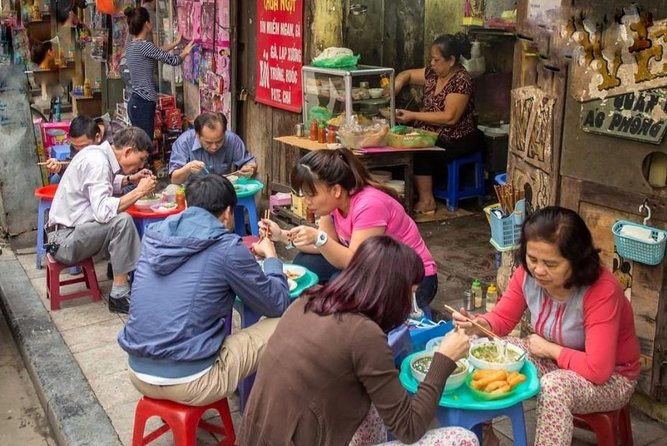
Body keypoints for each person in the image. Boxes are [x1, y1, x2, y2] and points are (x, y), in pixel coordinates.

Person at [240, 236, 477, 446]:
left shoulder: (308, 300)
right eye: (411, 293)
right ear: (392, 291)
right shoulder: (363, 334)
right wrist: (443, 359)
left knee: (373, 407)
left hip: (259, 436)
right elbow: (410, 428)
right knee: (463, 439)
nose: (410, 304)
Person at [453, 207, 640, 446]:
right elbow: (502, 318)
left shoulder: (601, 291)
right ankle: (485, 435)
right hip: (553, 361)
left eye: (551, 264)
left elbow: (598, 369)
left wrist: (550, 350)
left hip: (611, 378)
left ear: (577, 260)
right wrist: (479, 325)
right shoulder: (527, 274)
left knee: (555, 387)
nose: (539, 270)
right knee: (480, 348)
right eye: (532, 259)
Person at [117, 174, 291, 406]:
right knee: (288, 321)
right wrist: (271, 257)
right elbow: (276, 303)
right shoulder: (227, 247)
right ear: (228, 213)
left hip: (137, 372)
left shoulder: (155, 237)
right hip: (192, 382)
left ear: (187, 205)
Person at [261, 147, 438, 308]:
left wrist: (318, 238)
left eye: (311, 194)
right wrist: (281, 235)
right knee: (305, 262)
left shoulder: (369, 205)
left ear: (336, 190)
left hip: (411, 278)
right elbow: (324, 246)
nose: (307, 201)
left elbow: (354, 261)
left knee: (340, 283)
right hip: (372, 268)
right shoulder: (332, 206)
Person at [46, 127, 158, 314]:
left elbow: (102, 184)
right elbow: (103, 213)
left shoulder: (98, 154)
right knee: (122, 221)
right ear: (128, 151)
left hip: (63, 234)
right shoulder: (98, 162)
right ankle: (119, 295)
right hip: (64, 241)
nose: (140, 165)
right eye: (140, 160)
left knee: (119, 217)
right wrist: (139, 191)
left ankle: (116, 269)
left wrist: (131, 179)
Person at [393, 33, 485, 214]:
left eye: (436, 60)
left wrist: (413, 116)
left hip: (457, 137)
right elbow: (407, 75)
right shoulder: (432, 74)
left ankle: (428, 201)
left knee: (420, 152)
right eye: (431, 59)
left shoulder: (461, 80)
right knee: (398, 142)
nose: (432, 64)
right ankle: (411, 195)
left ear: (450, 60)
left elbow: (450, 118)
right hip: (432, 132)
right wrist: (394, 88)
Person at [124, 5, 193, 140]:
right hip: (143, 103)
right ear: (147, 24)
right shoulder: (145, 46)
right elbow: (173, 61)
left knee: (139, 142)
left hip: (136, 102)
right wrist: (185, 53)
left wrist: (175, 43)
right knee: (144, 144)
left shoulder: (132, 46)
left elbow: (157, 51)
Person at [45, 115, 150, 187]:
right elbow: (73, 166)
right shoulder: (81, 146)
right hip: (98, 181)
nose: (82, 152)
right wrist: (59, 167)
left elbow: (138, 157)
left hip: (123, 178)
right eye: (77, 148)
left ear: (98, 137)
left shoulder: (118, 133)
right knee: (56, 179)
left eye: (84, 146)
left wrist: (132, 178)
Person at [169, 112, 257, 184]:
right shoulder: (184, 142)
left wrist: (250, 168)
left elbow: (249, 162)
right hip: (192, 191)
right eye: (208, 142)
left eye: (219, 141)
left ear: (224, 133)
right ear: (197, 135)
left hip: (222, 189)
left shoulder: (231, 139)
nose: (214, 147)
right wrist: (187, 168)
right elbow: (174, 180)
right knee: (171, 190)